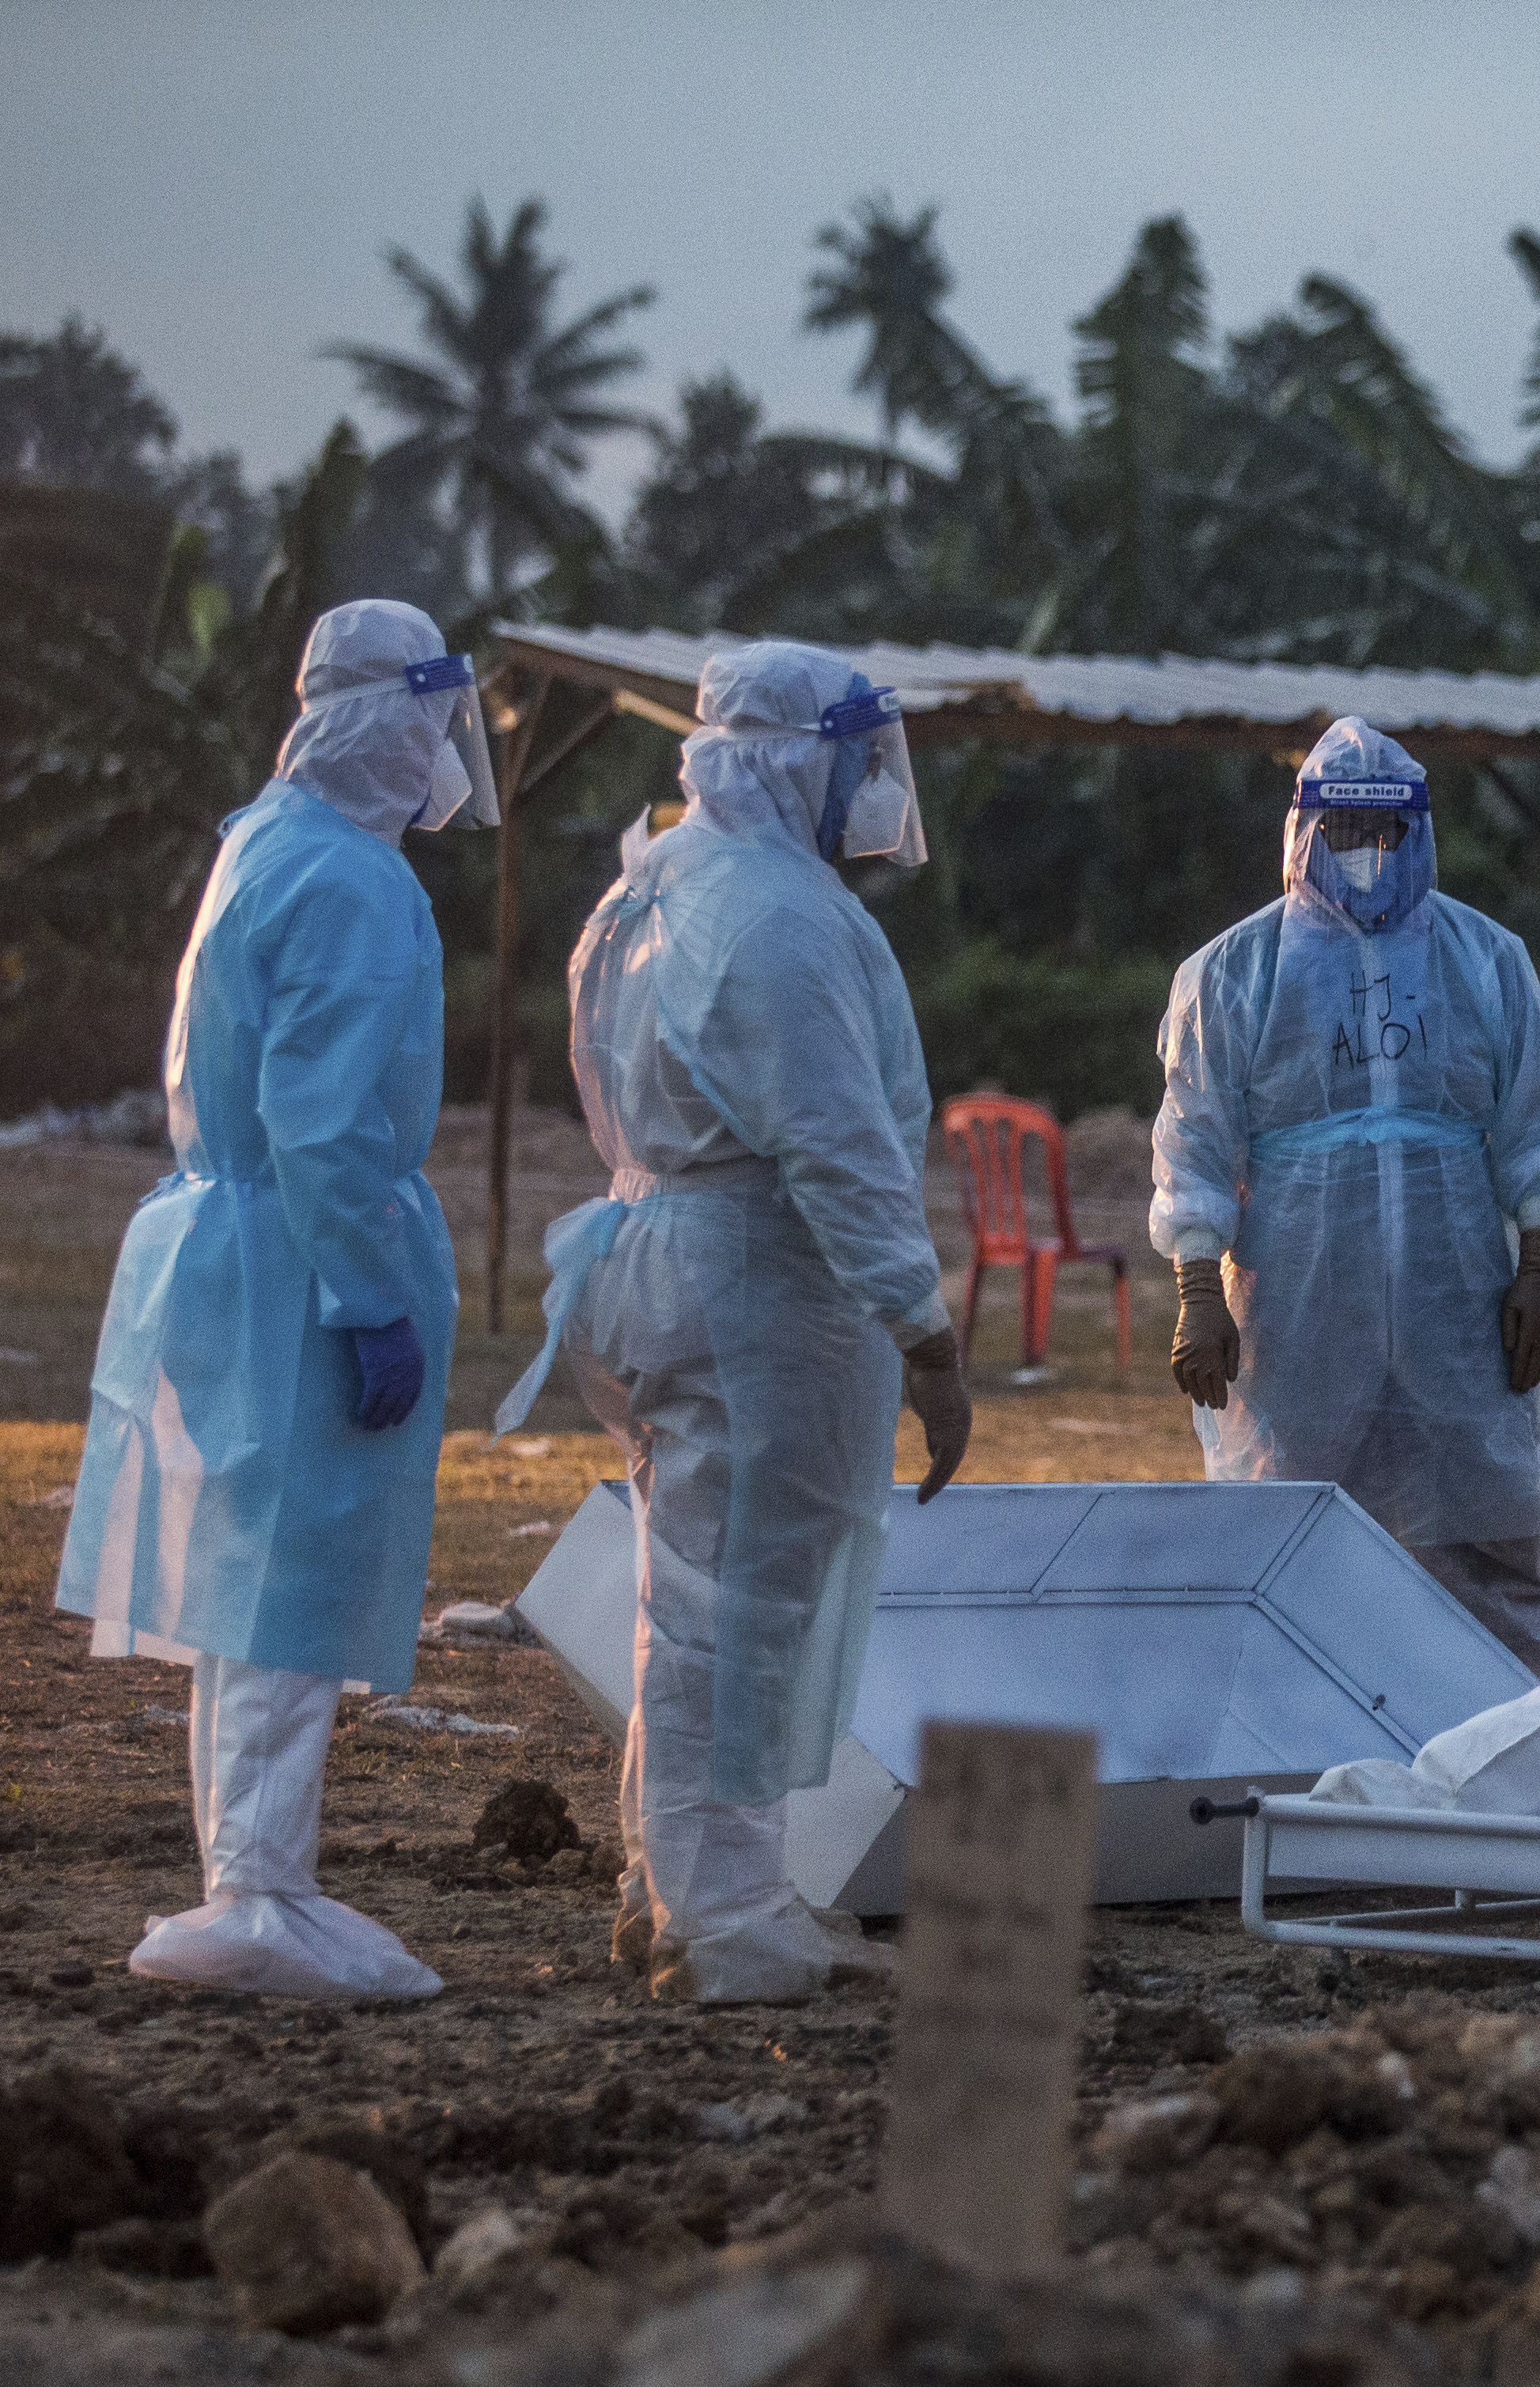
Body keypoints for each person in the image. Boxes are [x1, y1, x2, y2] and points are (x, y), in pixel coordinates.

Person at [494, 641, 971, 2005]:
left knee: (687, 1597)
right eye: (851, 757)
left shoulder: (648, 888)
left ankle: (681, 1888)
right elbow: (839, 1149)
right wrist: (925, 1336)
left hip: (662, 1262)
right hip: (762, 1288)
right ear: (795, 755)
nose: (868, 789)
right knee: (742, 1609)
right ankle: (728, 1914)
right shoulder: (784, 917)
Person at [58, 598, 501, 1999]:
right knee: (287, 1579)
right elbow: (322, 1125)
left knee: (247, 1577)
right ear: (388, 716)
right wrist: (369, 1293)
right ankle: (256, 1888)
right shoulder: (356, 881)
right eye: (430, 717)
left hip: (232, 1247)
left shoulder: (265, 838)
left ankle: (253, 1874)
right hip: (301, 1263)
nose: (443, 749)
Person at [1151, 717, 1540, 1674]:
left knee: (1485, 1543)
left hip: (1460, 1302)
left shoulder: (1486, 960)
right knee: (1286, 1545)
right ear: (1304, 831)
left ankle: (1525, 1757)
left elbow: (1533, 1126)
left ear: (1418, 834)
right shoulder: (1233, 972)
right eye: (1342, 832)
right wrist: (1194, 1293)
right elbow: (1195, 1142)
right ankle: (1289, 1761)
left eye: (1384, 834)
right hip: (1299, 1308)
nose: (1364, 856)